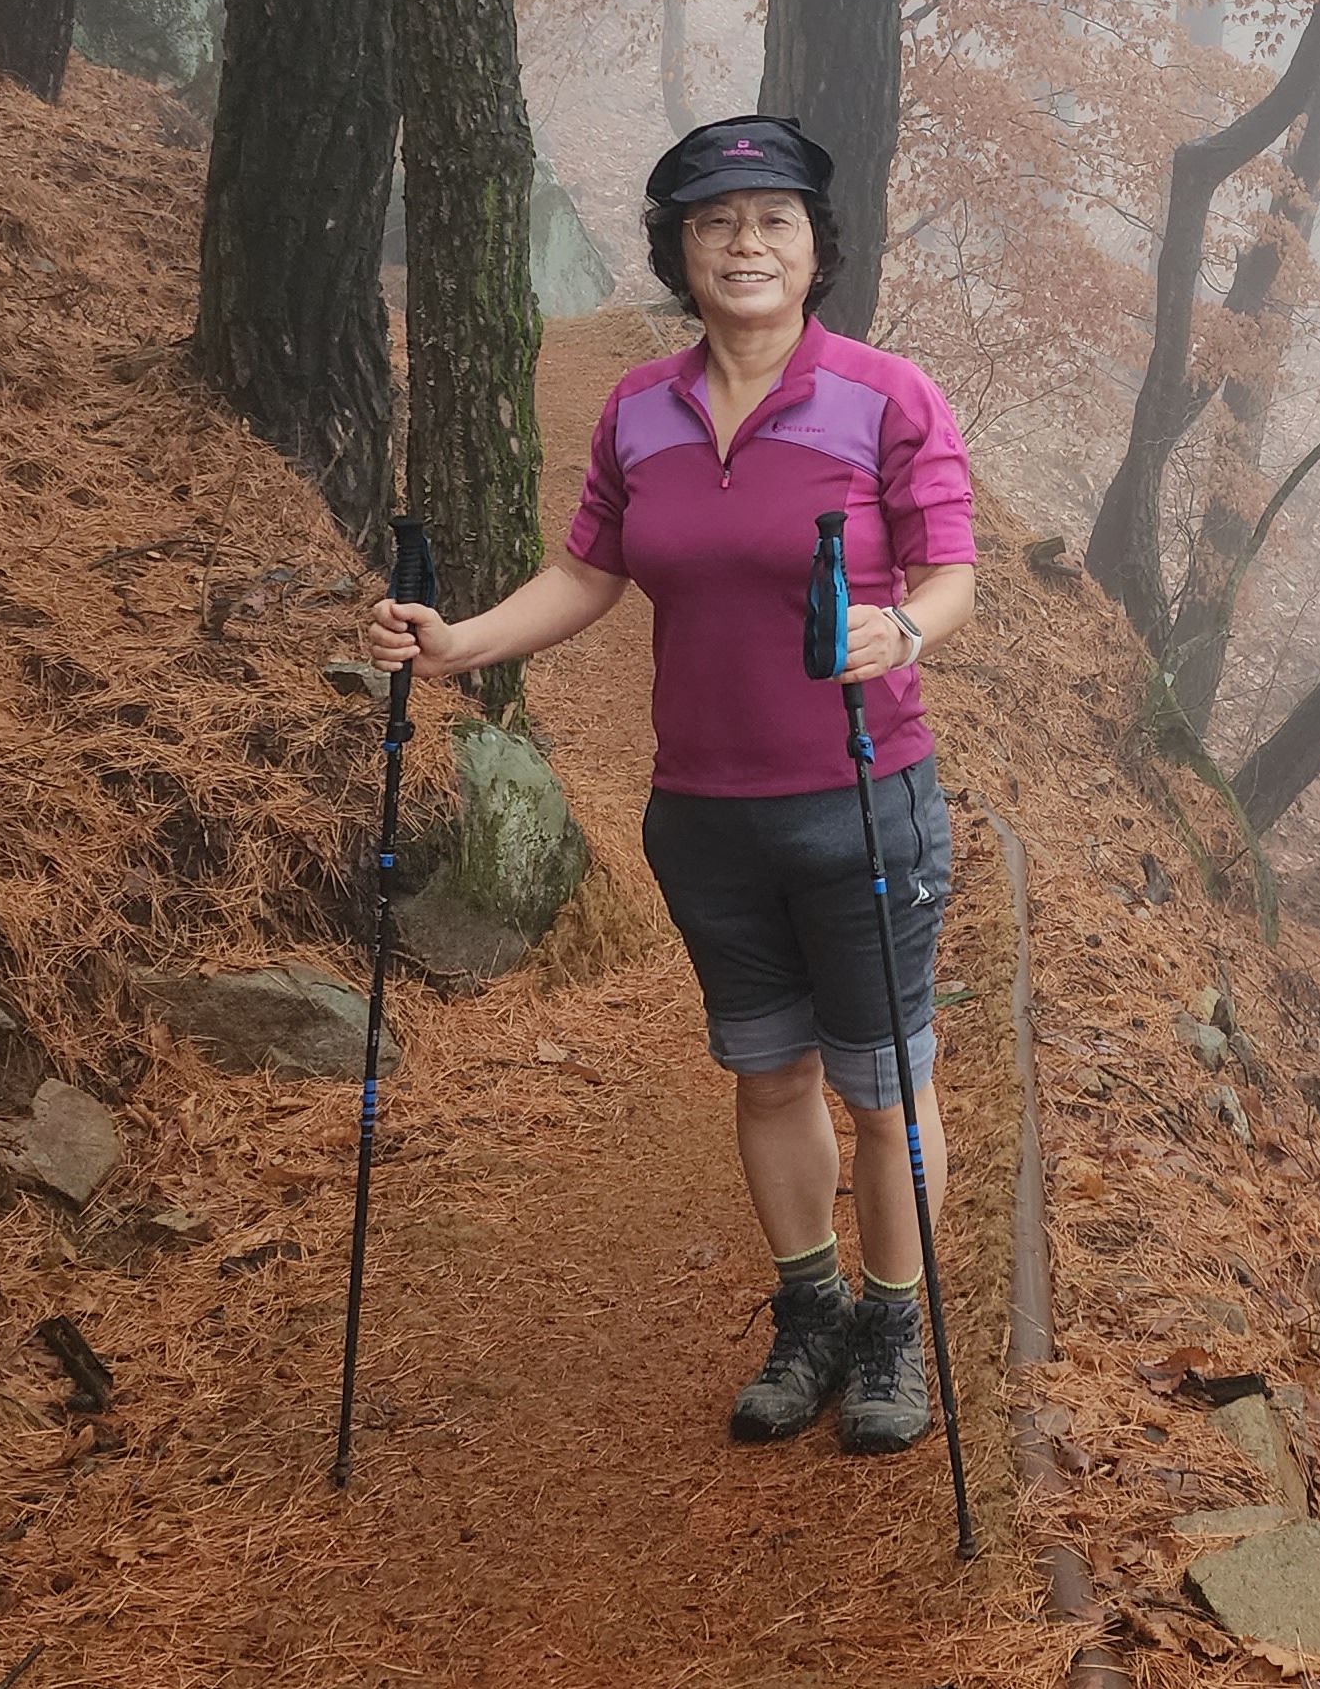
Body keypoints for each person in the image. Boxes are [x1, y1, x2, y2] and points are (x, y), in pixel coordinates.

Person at [366, 114, 979, 1455]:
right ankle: (810, 1312)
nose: (745, 244)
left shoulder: (888, 396)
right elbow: (589, 569)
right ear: (679, 251)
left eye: (773, 221)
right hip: (703, 815)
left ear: (815, 248)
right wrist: (460, 644)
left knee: (882, 1088)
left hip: (862, 800)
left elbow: (951, 574)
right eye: (715, 224)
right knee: (768, 1078)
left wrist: (903, 628)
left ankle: (894, 1327)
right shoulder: (640, 409)